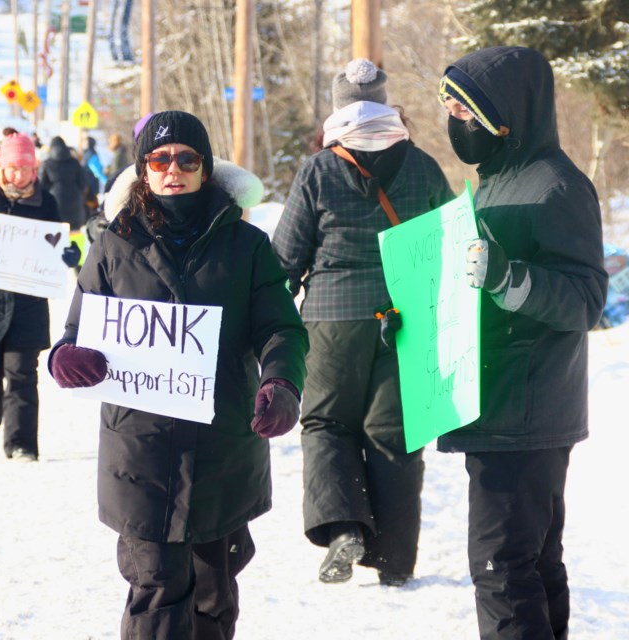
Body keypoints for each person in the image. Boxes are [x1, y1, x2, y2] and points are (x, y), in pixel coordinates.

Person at [48, 111, 308, 638]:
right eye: (160, 159)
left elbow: (282, 328)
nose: (174, 169)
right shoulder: (114, 244)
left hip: (224, 443)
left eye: (187, 158)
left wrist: (281, 383)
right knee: (158, 586)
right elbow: (77, 328)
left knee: (215, 592)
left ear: (206, 168)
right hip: (140, 446)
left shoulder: (247, 246)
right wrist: (67, 356)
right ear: (143, 169)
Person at [438, 46, 607, 638]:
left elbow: (585, 298)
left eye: (463, 108)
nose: (453, 118)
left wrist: (510, 279)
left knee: (502, 567)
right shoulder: (491, 186)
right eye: (448, 105)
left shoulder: (558, 185)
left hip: (528, 410)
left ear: (505, 115)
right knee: (531, 563)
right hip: (492, 400)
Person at [272, 58, 455, 587]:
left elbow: (286, 257)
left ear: (337, 107)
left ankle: (343, 527)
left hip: (331, 320)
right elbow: (448, 238)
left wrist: (269, 323)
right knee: (394, 434)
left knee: (327, 423)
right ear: (385, 101)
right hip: (404, 320)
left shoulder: (319, 169)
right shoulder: (420, 164)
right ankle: (395, 559)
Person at [0, 132, 80, 460]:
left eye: (25, 168)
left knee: (23, 374)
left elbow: (58, 243)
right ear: (1, 165)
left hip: (28, 303)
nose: (18, 175)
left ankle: (22, 443)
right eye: (12, 168)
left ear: (34, 169)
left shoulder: (45, 201)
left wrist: (69, 256)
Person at [39, 135, 90, 232]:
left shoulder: (46, 164)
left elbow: (41, 185)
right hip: (75, 202)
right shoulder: (75, 163)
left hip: (54, 202)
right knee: (74, 235)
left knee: (56, 235)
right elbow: (83, 184)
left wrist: (53, 189)